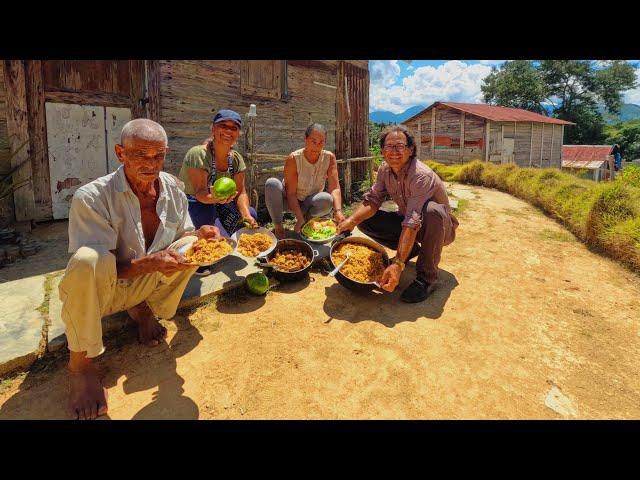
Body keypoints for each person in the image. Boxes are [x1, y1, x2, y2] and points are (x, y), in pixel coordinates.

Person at [59, 119, 222, 420]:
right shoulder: (92, 197)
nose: (150, 164)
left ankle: (142, 308)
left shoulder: (172, 187)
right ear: (120, 153)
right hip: (102, 293)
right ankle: (80, 366)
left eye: (157, 155)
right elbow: (101, 268)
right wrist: (150, 264)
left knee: (193, 251)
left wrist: (201, 235)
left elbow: (183, 234)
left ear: (165, 153)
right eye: (139, 155)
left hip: (140, 283)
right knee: (86, 261)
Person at [336, 124, 459, 303]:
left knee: (432, 211)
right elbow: (373, 200)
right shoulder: (385, 170)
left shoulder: (420, 175)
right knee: (365, 219)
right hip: (409, 221)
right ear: (383, 151)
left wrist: (398, 265)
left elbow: (412, 220)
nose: (394, 151)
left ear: (411, 150)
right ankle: (409, 250)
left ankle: (426, 278)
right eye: (389, 146)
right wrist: (351, 221)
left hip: (438, 229)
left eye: (400, 146)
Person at [178, 109, 258, 237]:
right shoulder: (199, 154)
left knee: (251, 213)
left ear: (238, 134)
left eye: (234, 128)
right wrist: (216, 198)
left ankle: (234, 243)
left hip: (220, 202)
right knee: (211, 224)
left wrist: (246, 215)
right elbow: (200, 193)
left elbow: (241, 192)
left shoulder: (236, 159)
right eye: (223, 126)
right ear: (213, 129)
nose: (228, 131)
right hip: (195, 203)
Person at [264, 123, 345, 239]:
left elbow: (335, 187)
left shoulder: (329, 158)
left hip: (309, 203)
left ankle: (307, 224)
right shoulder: (294, 158)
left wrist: (338, 211)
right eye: (313, 141)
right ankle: (278, 227)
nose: (317, 146)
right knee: (272, 184)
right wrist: (299, 218)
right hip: (288, 200)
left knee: (326, 199)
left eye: (321, 142)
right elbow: (291, 193)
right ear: (305, 139)